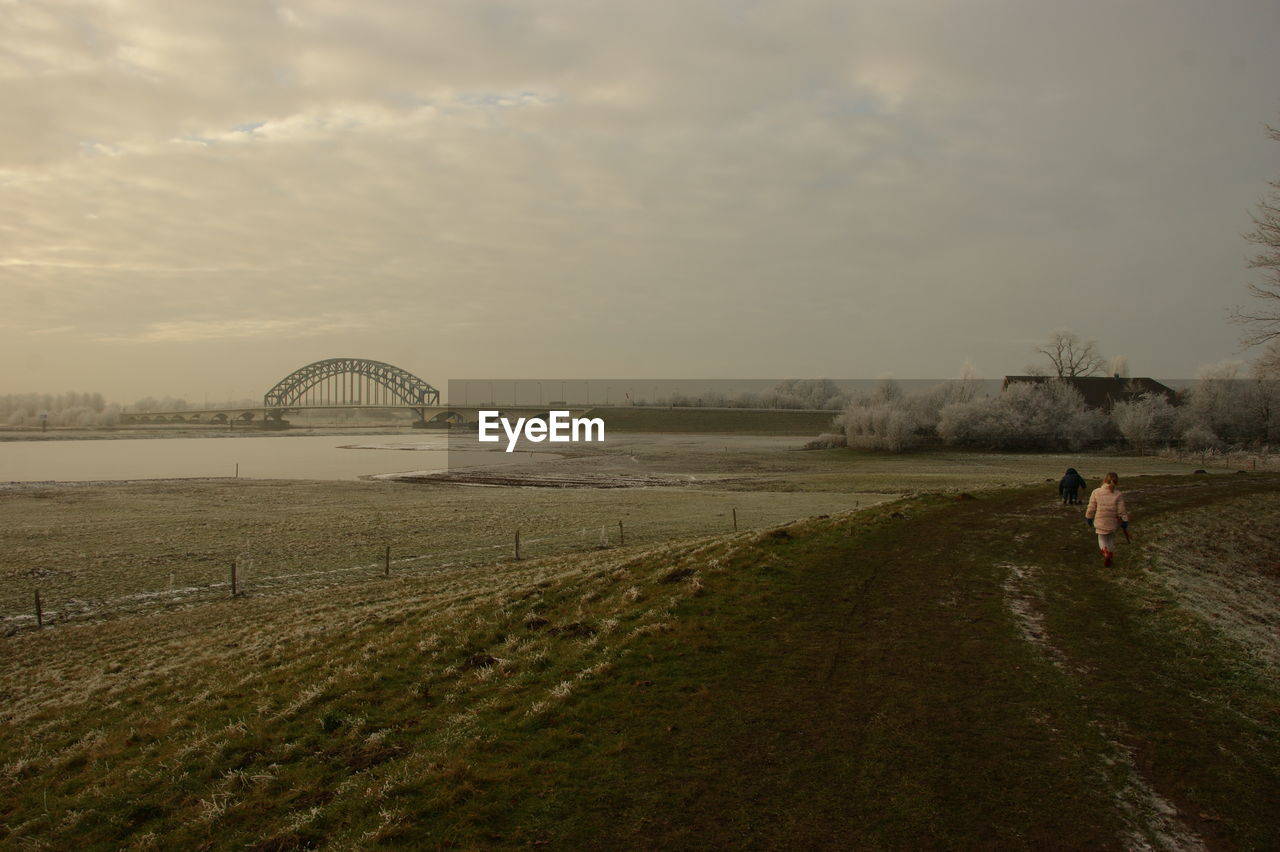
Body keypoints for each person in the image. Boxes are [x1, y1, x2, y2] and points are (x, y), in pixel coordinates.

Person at [1085, 472, 1129, 567]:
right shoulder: (1118, 494)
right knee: (1110, 539)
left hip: (1100, 521)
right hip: (1112, 522)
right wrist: (1125, 520)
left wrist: (1088, 517)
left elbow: (1091, 507)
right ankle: (1111, 554)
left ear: (1104, 480)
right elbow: (1121, 510)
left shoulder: (1096, 492)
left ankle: (1105, 553)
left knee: (1102, 539)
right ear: (1116, 482)